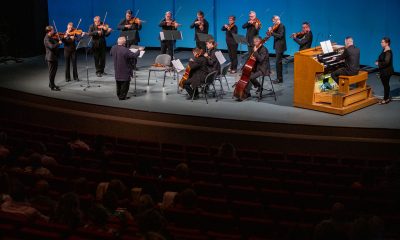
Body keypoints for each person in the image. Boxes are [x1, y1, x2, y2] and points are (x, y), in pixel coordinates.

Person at [375, 37, 394, 104]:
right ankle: (386, 98)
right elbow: (383, 59)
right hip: (384, 71)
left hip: (387, 71)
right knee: (386, 85)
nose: (381, 43)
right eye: (381, 42)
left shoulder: (388, 51)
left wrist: (378, 63)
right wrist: (378, 61)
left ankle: (385, 99)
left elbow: (387, 62)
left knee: (386, 85)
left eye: (382, 42)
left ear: (387, 43)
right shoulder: (384, 49)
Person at [269, 15, 287, 84]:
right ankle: (279, 78)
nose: (273, 23)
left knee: (278, 63)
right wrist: (270, 31)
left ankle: (279, 79)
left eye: (274, 21)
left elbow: (280, 36)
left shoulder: (281, 26)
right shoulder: (277, 26)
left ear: (277, 20)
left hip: (280, 46)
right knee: (278, 63)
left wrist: (272, 32)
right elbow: (274, 34)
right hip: (277, 46)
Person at [43, 26, 62, 91]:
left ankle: (51, 84)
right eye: (52, 30)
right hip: (50, 58)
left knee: (54, 72)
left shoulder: (51, 37)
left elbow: (55, 42)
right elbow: (51, 47)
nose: (53, 31)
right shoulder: (46, 38)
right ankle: (52, 86)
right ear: (49, 31)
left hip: (54, 57)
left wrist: (61, 38)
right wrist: (58, 43)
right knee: (52, 72)